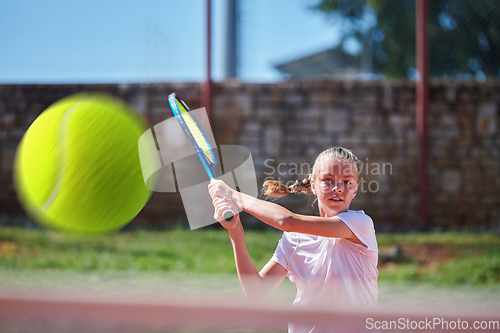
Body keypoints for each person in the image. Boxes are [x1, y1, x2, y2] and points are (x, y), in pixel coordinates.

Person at [209, 147, 378, 332]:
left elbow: (286, 221)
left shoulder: (361, 224)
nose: (337, 187)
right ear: (313, 185)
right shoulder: (295, 239)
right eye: (328, 180)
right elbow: (256, 292)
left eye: (347, 182)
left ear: (355, 190)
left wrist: (234, 196)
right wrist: (235, 232)